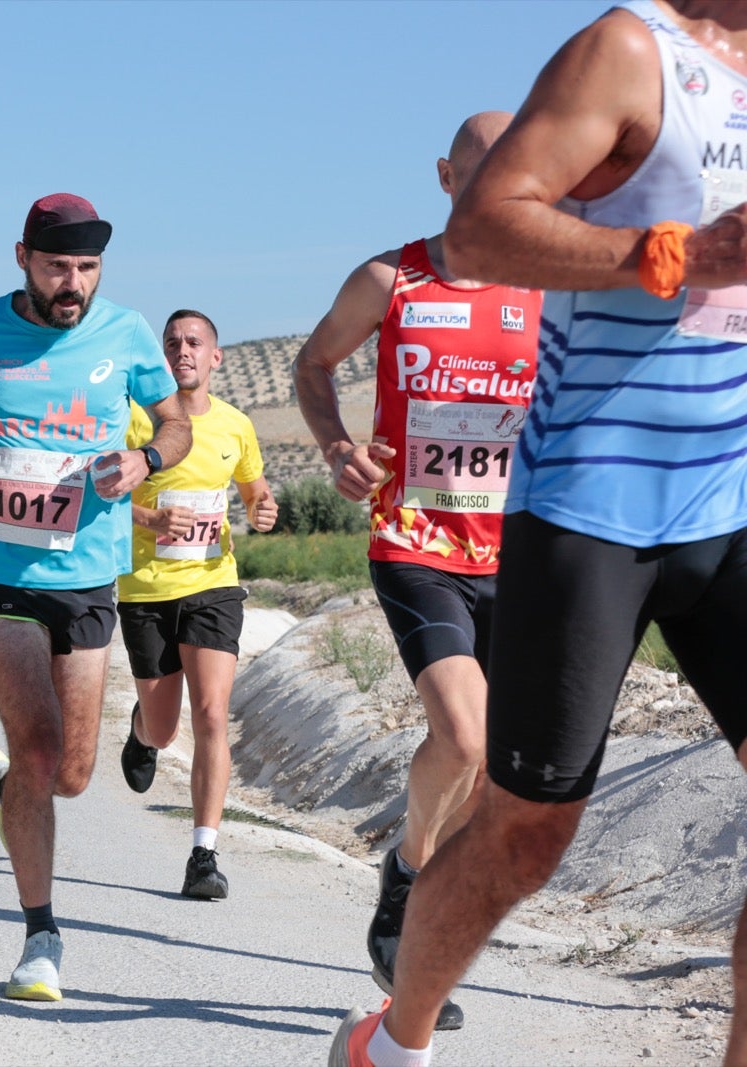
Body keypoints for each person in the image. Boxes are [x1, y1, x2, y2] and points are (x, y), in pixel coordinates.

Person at [330, 5, 747, 1066]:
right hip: (592, 502)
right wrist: (680, 253)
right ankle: (393, 1042)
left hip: (732, 495)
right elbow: (480, 229)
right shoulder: (631, 50)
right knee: (528, 829)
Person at [0, 193, 191, 1002]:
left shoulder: (127, 333)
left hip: (89, 573)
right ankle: (41, 933)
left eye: (88, 268)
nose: (74, 283)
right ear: (22, 259)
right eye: (58, 266)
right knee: (36, 752)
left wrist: (147, 459)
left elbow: (175, 422)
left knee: (69, 771)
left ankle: (10, 790)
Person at [296, 111, 540, 1036]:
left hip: (520, 553)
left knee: (488, 772)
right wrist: (335, 448)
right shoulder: (391, 277)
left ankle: (410, 877)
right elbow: (314, 365)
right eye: (481, 172)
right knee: (466, 737)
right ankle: (409, 881)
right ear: (446, 176)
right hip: (416, 544)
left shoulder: (551, 286)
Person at [116, 309, 277, 901]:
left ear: (216, 357)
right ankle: (140, 731)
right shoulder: (137, 420)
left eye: (193, 342)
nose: (182, 350)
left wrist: (263, 508)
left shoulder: (236, 425)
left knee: (211, 714)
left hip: (214, 584)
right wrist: (150, 517)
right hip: (146, 589)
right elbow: (98, 493)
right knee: (163, 729)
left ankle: (203, 854)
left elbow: (254, 488)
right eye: (171, 343)